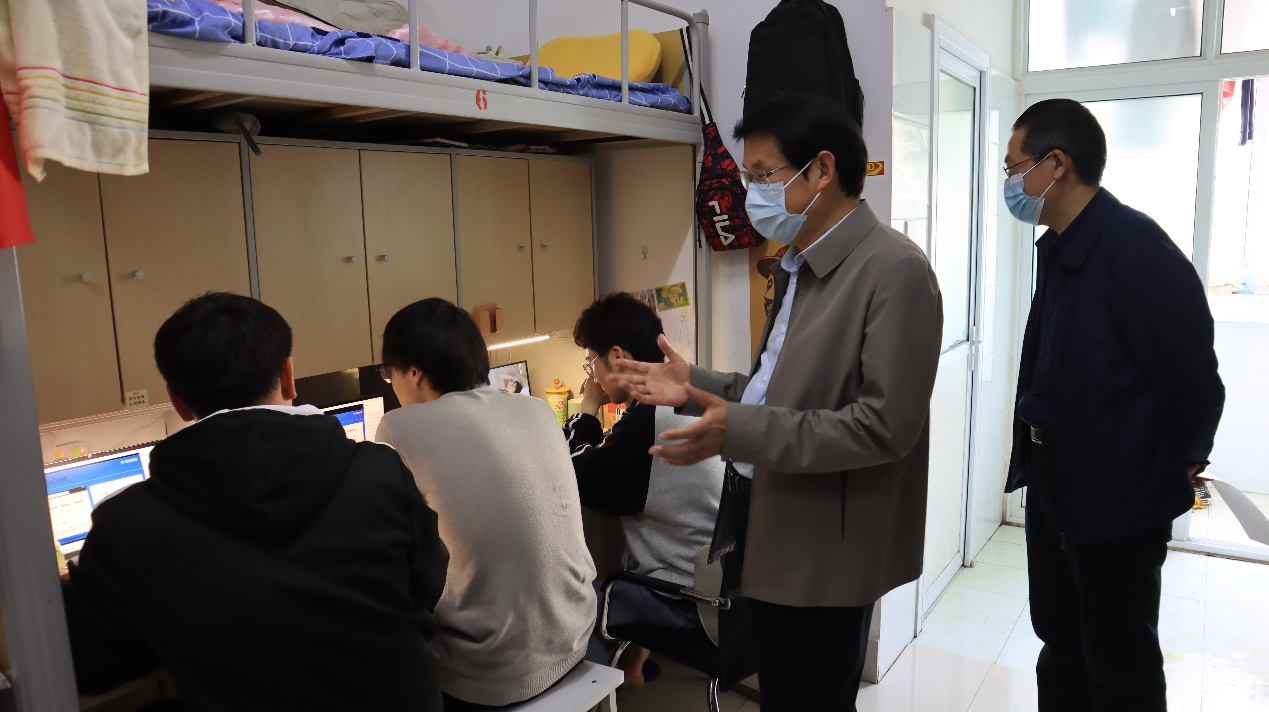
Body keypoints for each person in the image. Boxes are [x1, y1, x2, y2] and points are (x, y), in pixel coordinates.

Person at [609, 95, 943, 711]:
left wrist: (737, 430)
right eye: (750, 175)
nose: (751, 192)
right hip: (770, 522)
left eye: (764, 175)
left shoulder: (894, 271)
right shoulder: (797, 265)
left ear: (822, 170)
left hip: (826, 549)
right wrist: (692, 384)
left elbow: (883, 427)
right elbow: (774, 392)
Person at [62, 292, 449, 711]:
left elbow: (92, 666)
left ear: (178, 401)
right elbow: (427, 583)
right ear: (288, 376)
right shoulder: (380, 471)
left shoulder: (127, 524)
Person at [1002, 99, 1225, 711]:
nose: (1010, 183)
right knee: (1060, 639)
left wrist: (1182, 459)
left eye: (1014, 167)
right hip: (1054, 478)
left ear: (1056, 164)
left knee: (1119, 659)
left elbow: (1194, 377)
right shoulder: (1059, 246)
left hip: (1116, 489)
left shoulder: (1134, 246)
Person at [374, 298, 597, 710]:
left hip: (488, 672)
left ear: (414, 372)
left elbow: (392, 546)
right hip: (576, 635)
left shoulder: (398, 427)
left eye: (390, 373)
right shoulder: (537, 409)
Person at [566, 292, 724, 689]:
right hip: (733, 594)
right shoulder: (693, 391)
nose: (592, 375)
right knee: (643, 548)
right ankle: (632, 666)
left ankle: (602, 687)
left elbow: (574, 473)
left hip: (694, 602)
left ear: (617, 356)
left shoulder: (651, 419)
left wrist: (587, 408)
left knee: (574, 599)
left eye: (591, 363)